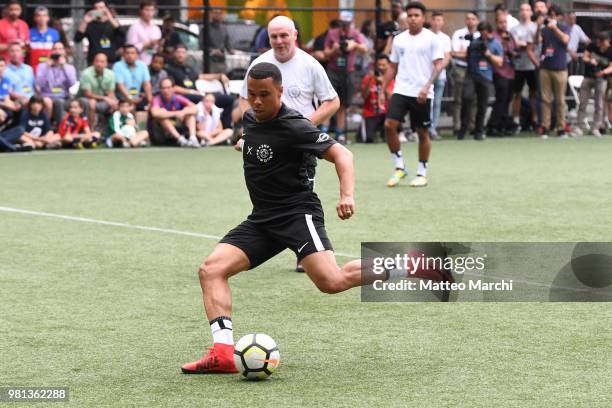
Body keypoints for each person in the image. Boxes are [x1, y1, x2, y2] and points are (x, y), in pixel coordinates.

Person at [180, 62, 363, 375]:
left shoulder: (296, 126)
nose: (257, 101)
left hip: (296, 214)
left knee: (331, 282)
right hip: (262, 219)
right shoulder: (251, 118)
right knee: (211, 270)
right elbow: (257, 139)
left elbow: (343, 155)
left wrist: (346, 195)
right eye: (252, 94)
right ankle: (223, 353)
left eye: (265, 94)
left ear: (281, 92)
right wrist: (245, 144)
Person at [239, 15, 340, 273]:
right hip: (267, 141)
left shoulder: (310, 64)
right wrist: (246, 133)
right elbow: (244, 101)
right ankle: (282, 239)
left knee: (301, 190)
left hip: (300, 144)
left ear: (295, 35)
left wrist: (303, 125)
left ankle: (307, 249)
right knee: (267, 191)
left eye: (284, 35)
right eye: (274, 36)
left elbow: (332, 101)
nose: (280, 41)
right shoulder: (259, 65)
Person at [382, 2, 444, 188]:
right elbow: (392, 66)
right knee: (389, 125)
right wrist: (383, 88)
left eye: (416, 15)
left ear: (423, 18)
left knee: (422, 132)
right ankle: (399, 166)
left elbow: (439, 65)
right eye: (410, 15)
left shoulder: (432, 39)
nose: (413, 18)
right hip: (401, 90)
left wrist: (426, 87)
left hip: (422, 93)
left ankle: (422, 172)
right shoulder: (399, 39)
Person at [324, 11, 368, 144]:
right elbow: (326, 53)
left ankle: (339, 133)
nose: (344, 27)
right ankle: (324, 132)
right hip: (333, 71)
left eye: (347, 24)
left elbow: (365, 49)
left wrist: (354, 45)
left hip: (348, 72)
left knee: (343, 104)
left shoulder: (355, 34)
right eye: (342, 24)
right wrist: (334, 49)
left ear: (351, 22)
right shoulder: (332, 33)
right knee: (328, 100)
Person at [458, 22, 504, 141]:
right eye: (481, 32)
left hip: (485, 77)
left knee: (482, 105)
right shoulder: (475, 42)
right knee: (466, 99)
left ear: (489, 32)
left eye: (485, 32)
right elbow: (467, 57)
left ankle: (479, 131)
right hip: (471, 75)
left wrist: (488, 54)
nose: (483, 35)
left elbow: (500, 62)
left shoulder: (495, 44)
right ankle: (463, 129)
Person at [535, 3, 571, 138]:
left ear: (560, 16)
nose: (552, 17)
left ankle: (561, 128)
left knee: (560, 100)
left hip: (560, 68)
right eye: (550, 14)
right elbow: (537, 41)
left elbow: (566, 40)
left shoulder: (564, 27)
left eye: (555, 15)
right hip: (545, 68)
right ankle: (545, 126)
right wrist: (538, 26)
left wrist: (554, 28)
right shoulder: (544, 30)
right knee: (545, 99)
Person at [573, 32, 612, 138]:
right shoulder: (593, 45)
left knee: (599, 104)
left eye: (602, 42)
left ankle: (596, 127)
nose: (600, 44)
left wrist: (603, 72)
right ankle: (578, 127)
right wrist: (591, 60)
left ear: (607, 41)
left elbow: (611, 67)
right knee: (582, 102)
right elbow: (585, 57)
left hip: (601, 79)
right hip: (588, 77)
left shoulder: (610, 50)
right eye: (599, 41)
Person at [510, 2, 540, 132]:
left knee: (534, 94)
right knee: (516, 94)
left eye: (527, 10)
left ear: (531, 12)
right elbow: (516, 44)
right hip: (518, 66)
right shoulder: (514, 29)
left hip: (533, 66)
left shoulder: (535, 27)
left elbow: (536, 44)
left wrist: (527, 45)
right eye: (522, 10)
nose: (524, 12)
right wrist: (526, 45)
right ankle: (516, 121)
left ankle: (535, 120)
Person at [487, 13, 517, 136]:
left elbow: (514, 50)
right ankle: (492, 126)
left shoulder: (509, 36)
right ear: (496, 23)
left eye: (505, 22)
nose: (503, 25)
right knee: (501, 99)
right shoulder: (493, 37)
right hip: (498, 72)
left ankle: (502, 125)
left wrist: (513, 53)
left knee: (507, 100)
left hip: (510, 72)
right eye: (500, 22)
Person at [450, 11, 480, 136]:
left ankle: (472, 126)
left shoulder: (480, 35)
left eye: (473, 19)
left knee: (474, 99)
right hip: (461, 69)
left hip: (476, 70)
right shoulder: (459, 34)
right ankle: (457, 126)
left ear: (477, 20)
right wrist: (469, 54)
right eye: (468, 18)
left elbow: (480, 54)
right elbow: (455, 53)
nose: (470, 21)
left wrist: (465, 53)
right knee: (458, 99)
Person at [35, 42, 77, 126]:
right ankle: (59, 128)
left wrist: (63, 67)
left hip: (64, 97)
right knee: (58, 102)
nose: (57, 51)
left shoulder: (69, 67)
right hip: (47, 96)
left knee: (78, 102)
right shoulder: (42, 66)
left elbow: (72, 84)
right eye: (55, 49)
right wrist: (47, 67)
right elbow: (39, 84)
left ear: (64, 52)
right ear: (51, 51)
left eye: (60, 49)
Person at [150, 77, 198, 147]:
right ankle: (181, 140)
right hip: (161, 133)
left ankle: (193, 139)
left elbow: (195, 108)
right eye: (163, 88)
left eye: (168, 88)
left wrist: (183, 112)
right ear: (160, 89)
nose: (166, 91)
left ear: (173, 88)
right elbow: (155, 113)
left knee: (190, 114)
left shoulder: (178, 97)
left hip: (178, 126)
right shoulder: (157, 99)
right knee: (162, 116)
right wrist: (175, 114)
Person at [359, 54, 394, 143]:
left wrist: (383, 84)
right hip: (370, 113)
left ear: (389, 65)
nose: (381, 67)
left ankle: (395, 132)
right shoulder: (368, 78)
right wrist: (370, 81)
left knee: (389, 139)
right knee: (368, 139)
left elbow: (391, 98)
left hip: (386, 114)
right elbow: (364, 96)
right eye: (379, 65)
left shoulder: (391, 79)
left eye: (383, 65)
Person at [75, 0, 121, 65]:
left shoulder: (112, 23)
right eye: (96, 8)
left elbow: (122, 34)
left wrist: (110, 17)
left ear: (106, 9)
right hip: (94, 61)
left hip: (110, 61)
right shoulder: (90, 24)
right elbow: (77, 38)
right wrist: (85, 21)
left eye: (101, 7)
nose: (99, 10)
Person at [79, 53, 117, 128]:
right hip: (85, 98)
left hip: (102, 98)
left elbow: (110, 92)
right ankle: (91, 128)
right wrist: (105, 98)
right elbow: (88, 94)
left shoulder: (111, 74)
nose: (99, 64)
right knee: (92, 103)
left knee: (116, 103)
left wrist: (112, 100)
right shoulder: (86, 73)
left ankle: (112, 128)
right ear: (93, 62)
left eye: (102, 62)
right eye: (97, 61)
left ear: (106, 63)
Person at [429, 12, 451, 140]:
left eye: (439, 20)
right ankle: (422, 129)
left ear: (442, 22)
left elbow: (447, 57)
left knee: (436, 103)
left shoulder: (446, 38)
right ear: (431, 21)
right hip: (425, 77)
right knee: (427, 103)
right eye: (435, 20)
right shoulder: (425, 35)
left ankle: (433, 129)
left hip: (440, 76)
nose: (437, 22)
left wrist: (438, 70)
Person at [113, 44, 153, 112]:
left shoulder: (142, 65)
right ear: (123, 55)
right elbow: (121, 86)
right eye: (127, 53)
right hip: (122, 98)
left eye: (132, 53)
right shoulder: (118, 66)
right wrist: (131, 99)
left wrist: (150, 101)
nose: (130, 55)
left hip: (137, 97)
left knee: (149, 107)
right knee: (129, 108)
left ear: (137, 55)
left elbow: (147, 84)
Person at [126, 0, 162, 66]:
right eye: (147, 10)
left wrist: (159, 46)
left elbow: (157, 49)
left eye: (151, 10)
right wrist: (147, 44)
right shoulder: (134, 27)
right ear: (141, 11)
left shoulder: (156, 28)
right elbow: (130, 48)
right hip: (138, 64)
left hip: (154, 65)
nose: (149, 13)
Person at [29, 6, 60, 74]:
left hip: (51, 69)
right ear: (35, 18)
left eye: (44, 15)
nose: (42, 18)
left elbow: (58, 51)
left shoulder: (54, 33)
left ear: (48, 18)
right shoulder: (29, 33)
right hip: (33, 69)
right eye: (39, 16)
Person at [208, 9, 234, 74]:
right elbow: (201, 45)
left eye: (219, 13)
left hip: (222, 60)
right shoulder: (206, 28)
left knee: (222, 78)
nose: (217, 15)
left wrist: (230, 49)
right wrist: (212, 51)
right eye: (215, 13)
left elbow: (227, 43)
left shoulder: (224, 28)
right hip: (209, 61)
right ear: (211, 15)